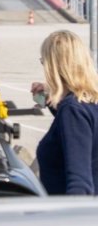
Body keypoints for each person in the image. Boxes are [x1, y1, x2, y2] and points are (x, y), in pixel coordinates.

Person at [31, 29, 98, 195]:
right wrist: (53, 101)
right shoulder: (88, 103)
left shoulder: (72, 110)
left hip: (73, 216)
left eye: (43, 62)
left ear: (53, 67)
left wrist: (67, 219)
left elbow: (79, 184)